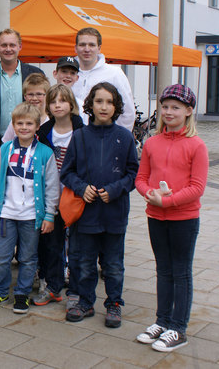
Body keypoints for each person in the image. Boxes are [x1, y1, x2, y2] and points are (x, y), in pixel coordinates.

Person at [135, 84, 208, 352]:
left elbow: (197, 187)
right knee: (163, 270)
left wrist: (168, 200)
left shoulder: (196, 145)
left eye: (175, 107)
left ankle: (178, 328)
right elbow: (141, 178)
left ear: (188, 111)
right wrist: (149, 194)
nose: (168, 111)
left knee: (181, 272)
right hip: (155, 215)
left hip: (184, 219)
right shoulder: (152, 143)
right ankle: (162, 320)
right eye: (164, 106)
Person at [61, 82, 138, 327]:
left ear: (116, 107)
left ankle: (114, 303)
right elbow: (67, 172)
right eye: (99, 101)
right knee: (84, 262)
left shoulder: (125, 137)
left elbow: (134, 173)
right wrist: (82, 188)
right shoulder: (80, 136)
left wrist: (115, 190)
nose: (104, 107)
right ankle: (85, 301)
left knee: (113, 264)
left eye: (109, 102)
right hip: (86, 215)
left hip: (114, 214)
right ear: (90, 105)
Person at [0, 103, 60, 314]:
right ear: (13, 126)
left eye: (29, 123)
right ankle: (0, 290)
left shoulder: (45, 153)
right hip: (7, 213)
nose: (24, 127)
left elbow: (52, 187)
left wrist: (50, 214)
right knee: (1, 256)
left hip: (31, 216)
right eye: (19, 123)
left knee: (28, 257)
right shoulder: (5, 149)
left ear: (36, 126)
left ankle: (22, 293)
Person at [32, 84, 83, 309]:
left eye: (62, 100)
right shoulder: (43, 132)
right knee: (51, 245)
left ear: (71, 104)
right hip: (51, 197)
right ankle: (53, 287)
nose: (58, 105)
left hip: (76, 196)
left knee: (79, 246)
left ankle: (77, 290)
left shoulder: (82, 130)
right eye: (53, 101)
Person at [0, 28, 43, 140]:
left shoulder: (36, 74)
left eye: (12, 45)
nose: (8, 49)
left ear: (20, 47)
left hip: (30, 140)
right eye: (4, 45)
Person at [73, 27, 135, 131]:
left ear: (99, 48)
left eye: (92, 45)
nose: (87, 49)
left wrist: (118, 139)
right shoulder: (68, 74)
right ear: (76, 48)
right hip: (72, 139)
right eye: (82, 44)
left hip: (104, 137)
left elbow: (127, 112)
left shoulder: (114, 73)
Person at [2, 73, 51, 142]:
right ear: (25, 96)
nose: (34, 98)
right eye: (30, 94)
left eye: (39, 94)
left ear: (47, 95)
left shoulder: (51, 120)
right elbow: (5, 144)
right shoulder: (18, 119)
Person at [52, 56, 88, 124]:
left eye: (72, 73)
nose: (68, 76)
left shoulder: (81, 105)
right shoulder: (45, 100)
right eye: (64, 71)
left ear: (77, 78)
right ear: (55, 74)